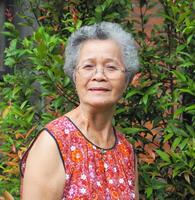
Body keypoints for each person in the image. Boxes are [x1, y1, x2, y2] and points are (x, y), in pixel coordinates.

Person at [20, 22, 139, 200]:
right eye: (88, 66)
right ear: (75, 76)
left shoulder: (126, 151)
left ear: (127, 78)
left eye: (111, 67)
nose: (99, 76)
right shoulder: (53, 144)